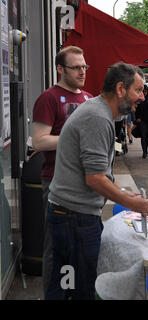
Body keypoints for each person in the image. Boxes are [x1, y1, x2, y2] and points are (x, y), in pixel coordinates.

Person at [45, 62, 148, 300]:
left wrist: (123, 193)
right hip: (74, 219)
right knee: (75, 289)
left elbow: (98, 174)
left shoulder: (99, 112)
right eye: (139, 90)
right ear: (121, 89)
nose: (142, 97)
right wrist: (131, 202)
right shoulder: (97, 117)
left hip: (73, 217)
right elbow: (94, 178)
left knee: (68, 285)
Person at [32, 45, 93, 295]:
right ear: (60, 69)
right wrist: (75, 139)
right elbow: (39, 141)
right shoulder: (49, 98)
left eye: (84, 67)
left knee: (82, 250)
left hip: (87, 186)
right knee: (57, 250)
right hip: (56, 184)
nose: (82, 72)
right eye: (76, 67)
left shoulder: (89, 98)